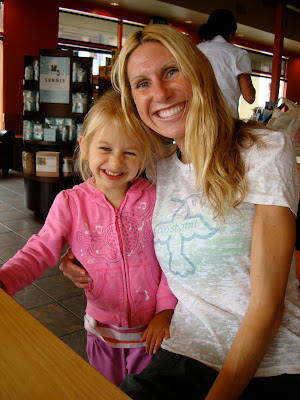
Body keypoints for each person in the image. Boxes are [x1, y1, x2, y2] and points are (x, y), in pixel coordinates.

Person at [59, 25, 300, 399]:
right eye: (142, 83)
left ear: (198, 73)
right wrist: (81, 246)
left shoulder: (264, 149)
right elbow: (102, 206)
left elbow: (267, 306)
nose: (160, 92)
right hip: (186, 348)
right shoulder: (156, 167)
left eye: (171, 72)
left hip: (271, 360)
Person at [0, 89, 177, 387]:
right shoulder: (70, 202)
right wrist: (5, 279)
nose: (116, 161)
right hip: (102, 329)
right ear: (84, 147)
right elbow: (41, 249)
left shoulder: (157, 199)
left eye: (130, 152)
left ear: (144, 154)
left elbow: (171, 260)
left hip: (152, 331)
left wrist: (166, 310)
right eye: (105, 148)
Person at [197, 9, 256, 118]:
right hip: (226, 120)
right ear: (231, 32)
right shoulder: (238, 54)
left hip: (197, 119)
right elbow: (250, 97)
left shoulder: (195, 51)